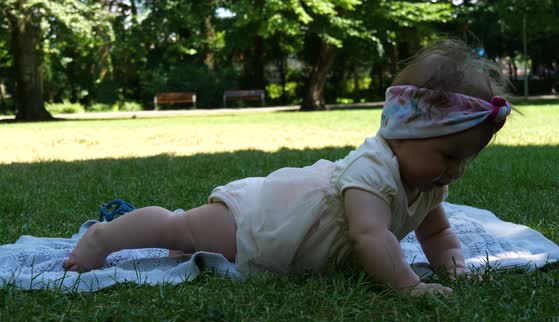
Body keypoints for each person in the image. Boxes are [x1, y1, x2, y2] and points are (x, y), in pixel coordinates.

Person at [64, 40, 512, 296]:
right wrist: (409, 286)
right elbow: (369, 236)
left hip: (288, 236)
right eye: (449, 156)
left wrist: (454, 267)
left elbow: (436, 235)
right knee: (178, 230)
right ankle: (107, 235)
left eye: (467, 159)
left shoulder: (429, 184)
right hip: (260, 221)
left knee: (182, 238)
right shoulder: (372, 172)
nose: (455, 171)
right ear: (408, 134)